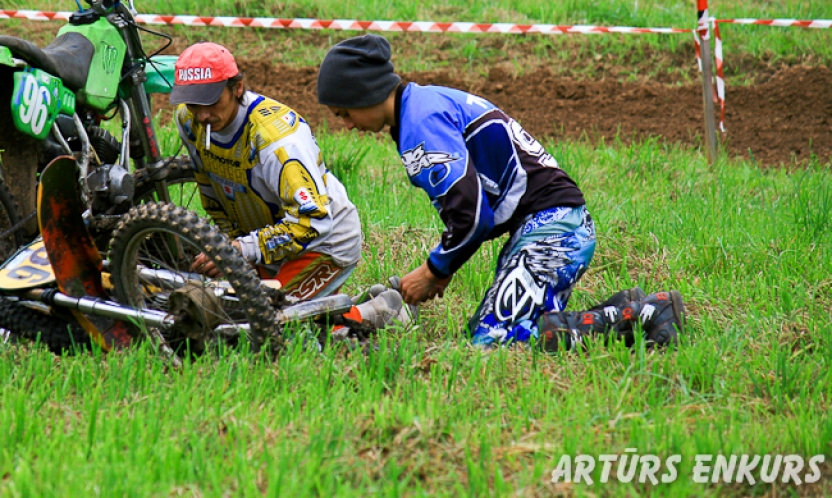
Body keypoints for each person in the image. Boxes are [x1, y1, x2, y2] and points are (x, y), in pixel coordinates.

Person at [315, 34, 685, 350]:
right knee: (482, 333)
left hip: (554, 232)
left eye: (343, 113)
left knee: (494, 342)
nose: (346, 125)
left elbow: (473, 214)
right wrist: (439, 271)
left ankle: (646, 315)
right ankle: (623, 307)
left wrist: (432, 271)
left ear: (365, 93)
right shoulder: (422, 105)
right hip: (550, 226)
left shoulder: (420, 123)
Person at [170, 42, 406, 328]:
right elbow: (210, 187)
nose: (203, 115)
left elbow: (314, 223)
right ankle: (335, 305)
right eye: (194, 104)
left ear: (238, 87)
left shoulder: (277, 142)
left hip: (324, 240)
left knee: (256, 322)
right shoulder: (188, 119)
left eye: (211, 102)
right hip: (263, 238)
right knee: (211, 309)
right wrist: (226, 246)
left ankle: (380, 311)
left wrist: (242, 249)